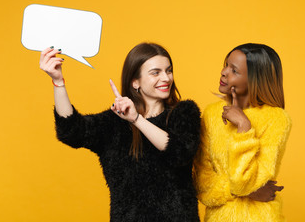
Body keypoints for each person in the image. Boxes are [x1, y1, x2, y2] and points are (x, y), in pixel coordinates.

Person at [39, 43, 201, 222]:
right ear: (135, 82)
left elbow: (179, 151)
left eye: (168, 71)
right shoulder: (115, 122)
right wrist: (58, 82)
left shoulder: (184, 113)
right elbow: (71, 131)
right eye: (156, 72)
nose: (166, 78)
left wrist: (136, 119)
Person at [193, 43, 292, 222]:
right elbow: (202, 183)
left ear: (255, 80)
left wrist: (244, 126)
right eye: (226, 64)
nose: (224, 72)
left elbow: (244, 182)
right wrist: (244, 191)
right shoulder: (211, 115)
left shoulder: (276, 119)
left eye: (234, 71)